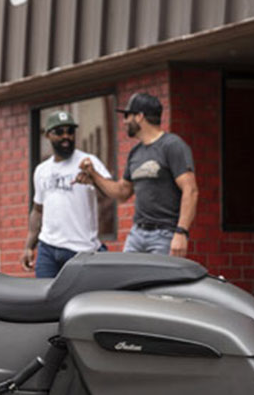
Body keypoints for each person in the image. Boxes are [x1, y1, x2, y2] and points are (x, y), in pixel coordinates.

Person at [75, 93, 198, 257]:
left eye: (127, 116)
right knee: (126, 280)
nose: (125, 121)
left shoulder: (172, 145)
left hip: (165, 235)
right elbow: (122, 192)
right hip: (137, 234)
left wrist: (181, 232)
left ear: (140, 116)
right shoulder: (136, 152)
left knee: (158, 282)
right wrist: (94, 176)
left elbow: (191, 190)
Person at [21, 111, 111, 278]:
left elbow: (112, 193)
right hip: (47, 249)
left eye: (70, 131)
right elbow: (38, 210)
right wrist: (28, 246)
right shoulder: (41, 170)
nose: (66, 137)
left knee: (82, 301)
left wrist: (94, 179)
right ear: (48, 135)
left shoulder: (88, 162)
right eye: (59, 132)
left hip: (81, 250)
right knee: (45, 300)